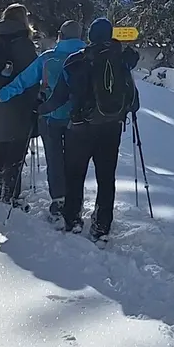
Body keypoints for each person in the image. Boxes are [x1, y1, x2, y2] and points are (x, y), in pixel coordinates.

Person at [58, 17, 141, 239]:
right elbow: (132, 95)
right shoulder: (122, 59)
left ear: (90, 36)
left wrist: (40, 107)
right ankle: (102, 226)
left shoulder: (77, 60)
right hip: (112, 126)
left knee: (75, 174)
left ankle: (72, 218)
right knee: (106, 177)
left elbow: (62, 93)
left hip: (81, 127)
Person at [0, 18, 86, 218]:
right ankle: (74, 203)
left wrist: (2, 94)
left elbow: (24, 80)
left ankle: (58, 200)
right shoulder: (87, 56)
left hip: (49, 115)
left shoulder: (48, 58)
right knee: (75, 160)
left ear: (60, 35)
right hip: (79, 118)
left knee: (54, 158)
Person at [0, 3, 42, 205]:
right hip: (19, 105)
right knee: (16, 152)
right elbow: (31, 77)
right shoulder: (23, 43)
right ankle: (10, 195)